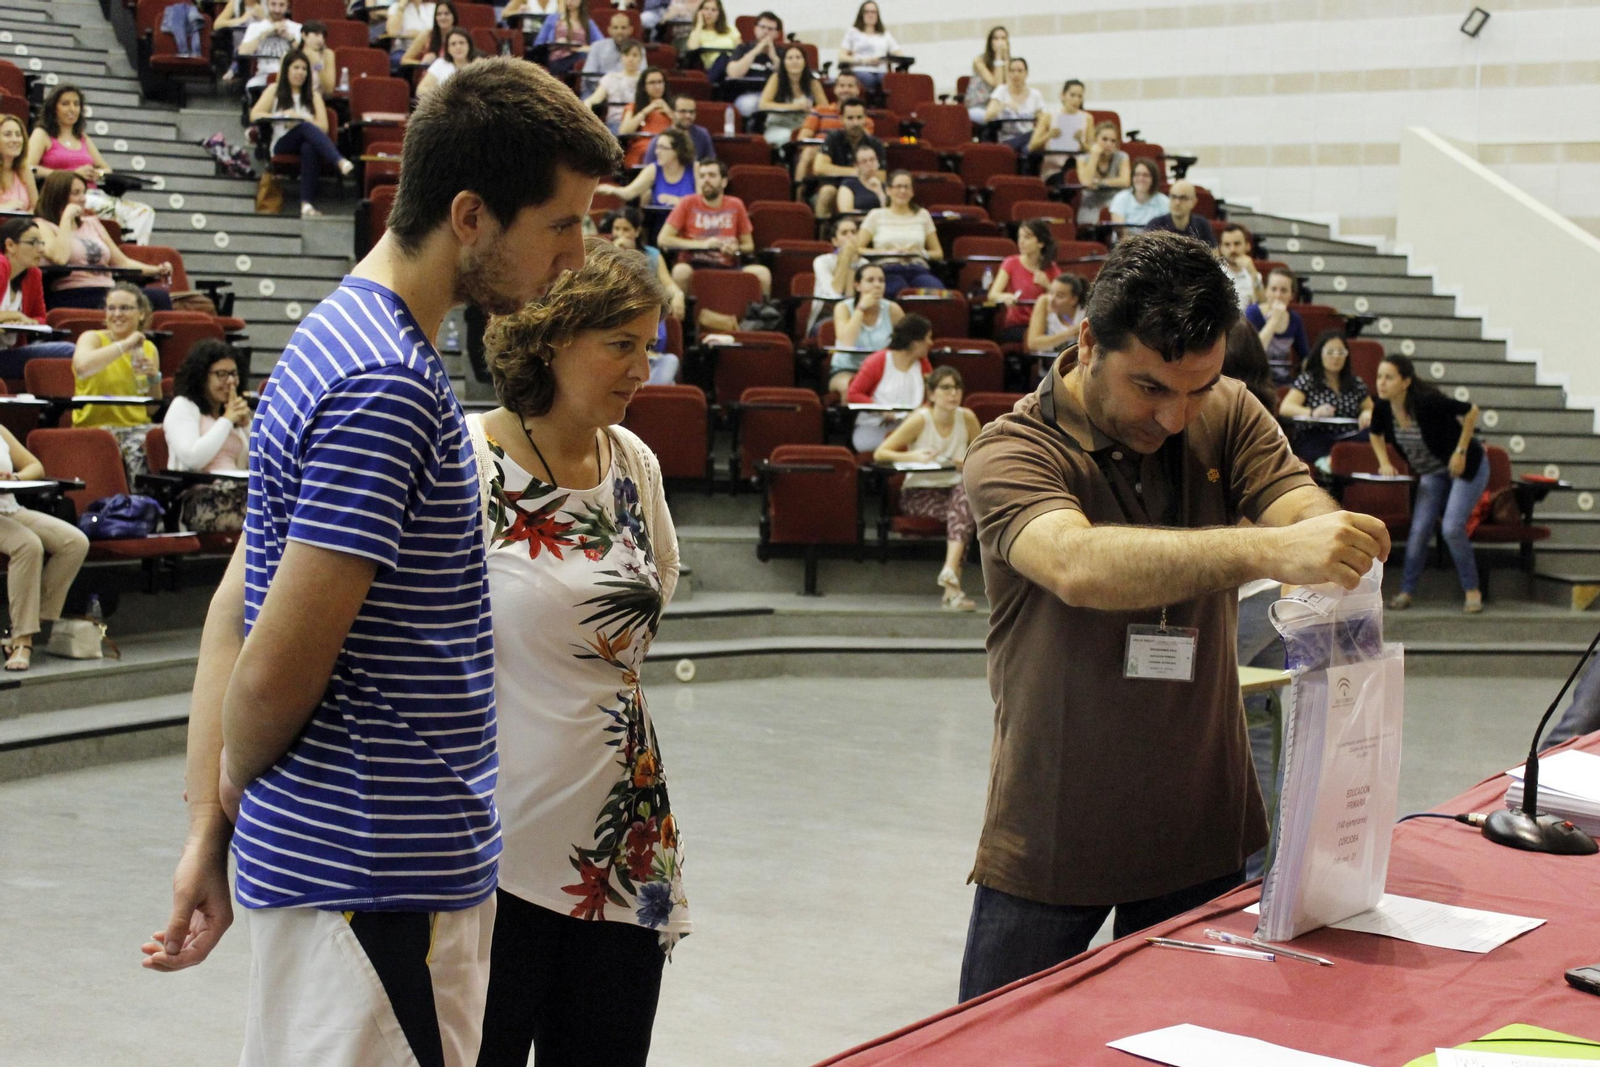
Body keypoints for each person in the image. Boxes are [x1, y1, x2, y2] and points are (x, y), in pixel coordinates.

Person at [138, 61, 622, 1067]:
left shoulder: (338, 336)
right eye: (562, 225)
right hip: (373, 885)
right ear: (472, 215)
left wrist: (212, 825)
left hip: (352, 880)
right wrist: (229, 804)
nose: (576, 258)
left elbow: (235, 604)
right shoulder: (386, 385)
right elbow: (272, 667)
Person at [957, 231, 1392, 1001]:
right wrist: (1271, 551)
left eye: (1198, 387)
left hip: (1203, 835)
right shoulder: (1013, 449)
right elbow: (1075, 563)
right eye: (1151, 387)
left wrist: (1327, 544)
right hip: (1054, 833)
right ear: (1088, 341)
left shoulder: (1224, 410)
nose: (1176, 416)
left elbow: (1300, 511)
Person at [468, 238, 686, 1066]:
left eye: (650, 343)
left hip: (623, 834)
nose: (643, 366)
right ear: (555, 336)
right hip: (494, 839)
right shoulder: (466, 461)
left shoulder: (635, 464)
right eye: (621, 343)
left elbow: (656, 580)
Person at [1220, 320, 1291, 881]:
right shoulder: (1265, 418)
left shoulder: (1232, 424)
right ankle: (1257, 871)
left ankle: (1236, 868)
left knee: (1219, 728)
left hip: (1243, 596)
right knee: (1260, 733)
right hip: (1268, 595)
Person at [1371, 353, 1486, 614]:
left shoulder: (1427, 402)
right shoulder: (1382, 408)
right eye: (1379, 377)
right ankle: (1406, 592)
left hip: (1467, 466)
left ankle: (1472, 590)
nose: (1381, 383)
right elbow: (1375, 434)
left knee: (1452, 528)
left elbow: (1471, 411)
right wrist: (1384, 461)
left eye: (1389, 377)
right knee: (1420, 529)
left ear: (1405, 382)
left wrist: (1461, 451)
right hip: (1432, 473)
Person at [874, 364, 982, 611]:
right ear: (931, 394)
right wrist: (913, 456)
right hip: (919, 494)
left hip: (954, 491)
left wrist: (965, 461)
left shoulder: (967, 417)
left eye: (957, 388)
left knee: (963, 504)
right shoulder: (920, 420)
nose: (953, 393)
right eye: (945, 388)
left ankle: (950, 582)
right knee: (964, 513)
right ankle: (951, 582)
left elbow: (982, 455)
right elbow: (881, 453)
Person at [0, 423, 90, 672]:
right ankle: (22, 639)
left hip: (9, 507)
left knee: (74, 542)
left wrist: (15, 477)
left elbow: (35, 466)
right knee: (27, 545)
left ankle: (24, 622)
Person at [25, 85, 157, 245]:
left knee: (145, 212)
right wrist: (73, 174)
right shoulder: (43, 134)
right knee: (115, 210)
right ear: (53, 108)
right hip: (65, 195)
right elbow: (28, 168)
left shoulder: (82, 137)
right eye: (65, 104)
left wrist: (98, 174)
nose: (72, 109)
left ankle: (132, 251)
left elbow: (106, 168)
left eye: (76, 104)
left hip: (93, 193)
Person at [33, 172, 172, 311]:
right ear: (58, 196)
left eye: (84, 193)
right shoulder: (42, 225)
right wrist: (67, 217)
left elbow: (122, 263)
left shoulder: (92, 223)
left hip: (108, 289)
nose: (82, 199)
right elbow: (59, 257)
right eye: (76, 193)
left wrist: (157, 270)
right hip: (72, 292)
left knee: (159, 297)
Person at [248, 49, 357, 217]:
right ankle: (339, 160)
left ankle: (306, 204)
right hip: (282, 143)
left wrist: (301, 118)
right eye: (296, 68)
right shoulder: (274, 90)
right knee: (304, 127)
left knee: (308, 146)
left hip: (304, 142)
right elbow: (255, 115)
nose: (300, 73)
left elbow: (323, 127)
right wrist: (283, 116)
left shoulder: (313, 95)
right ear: (287, 70)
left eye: (304, 69)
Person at [70, 281, 161, 477]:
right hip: (96, 428)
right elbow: (83, 367)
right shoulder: (92, 338)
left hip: (135, 427)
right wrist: (125, 345)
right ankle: (136, 504)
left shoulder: (149, 349)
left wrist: (154, 377)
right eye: (111, 308)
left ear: (141, 313)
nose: (117, 314)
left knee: (170, 438)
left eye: (125, 308)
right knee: (139, 448)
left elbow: (151, 408)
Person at [163, 338, 252, 533]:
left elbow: (256, 461)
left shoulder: (229, 411)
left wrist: (246, 425)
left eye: (233, 374)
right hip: (198, 497)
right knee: (268, 516)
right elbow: (193, 459)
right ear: (202, 376)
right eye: (221, 374)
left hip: (238, 491)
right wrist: (227, 421)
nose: (230, 382)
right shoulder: (183, 406)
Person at [658, 157, 770, 298]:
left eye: (711, 175)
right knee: (680, 271)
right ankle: (683, 318)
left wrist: (736, 249)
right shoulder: (687, 203)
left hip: (729, 265)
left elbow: (749, 245)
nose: (706, 180)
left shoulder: (736, 204)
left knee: (762, 274)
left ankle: (762, 317)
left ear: (723, 182)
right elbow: (663, 239)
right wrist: (703, 245)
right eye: (702, 176)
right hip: (694, 263)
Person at [597, 207, 686, 383]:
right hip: (615, 318)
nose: (620, 234)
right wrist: (616, 255)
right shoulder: (603, 255)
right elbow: (602, 289)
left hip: (647, 321)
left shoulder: (652, 255)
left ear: (637, 231)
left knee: (671, 362)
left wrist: (678, 295)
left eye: (626, 229)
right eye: (616, 229)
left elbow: (669, 285)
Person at [1278, 330, 1372, 465]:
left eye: (1341, 352)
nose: (1336, 357)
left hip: (1348, 438)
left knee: (1373, 435)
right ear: (1320, 354)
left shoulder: (1356, 383)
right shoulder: (1308, 380)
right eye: (1330, 352)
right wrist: (1312, 412)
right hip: (1317, 436)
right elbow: (1285, 408)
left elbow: (1370, 409)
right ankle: (1328, 465)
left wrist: (1367, 413)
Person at [0, 217, 75, 378]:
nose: (41, 249)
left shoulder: (33, 275)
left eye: (42, 243)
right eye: (33, 242)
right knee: (67, 351)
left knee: (70, 352)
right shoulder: (0, 265)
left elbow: (41, 318)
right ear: (10, 245)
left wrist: (27, 322)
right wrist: (14, 316)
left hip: (8, 352)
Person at [847, 313, 932, 452]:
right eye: (928, 338)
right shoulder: (878, 361)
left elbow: (932, 396)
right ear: (915, 342)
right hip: (875, 426)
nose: (931, 343)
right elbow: (853, 394)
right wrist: (881, 409)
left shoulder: (924, 365)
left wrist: (919, 413)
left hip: (911, 426)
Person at [856, 170, 945, 297]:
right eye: (898, 187)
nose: (903, 191)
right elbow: (858, 248)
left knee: (937, 293)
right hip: (887, 268)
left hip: (917, 268)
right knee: (895, 290)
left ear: (912, 192)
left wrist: (919, 252)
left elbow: (938, 253)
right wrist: (886, 252)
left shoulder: (922, 214)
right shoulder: (876, 215)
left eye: (906, 187)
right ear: (888, 190)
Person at [829, 260, 902, 397]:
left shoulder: (893, 309)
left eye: (881, 280)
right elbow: (847, 342)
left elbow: (906, 344)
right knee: (850, 388)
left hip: (882, 370)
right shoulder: (843, 308)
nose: (877, 285)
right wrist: (861, 308)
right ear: (857, 286)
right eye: (870, 280)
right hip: (847, 369)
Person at [986, 217, 1059, 343]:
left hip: (1045, 325)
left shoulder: (1051, 268)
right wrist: (1005, 297)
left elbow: (1064, 299)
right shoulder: (1011, 263)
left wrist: (1047, 284)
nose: (1021, 242)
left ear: (1040, 243)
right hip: (1017, 325)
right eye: (1020, 237)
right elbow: (992, 295)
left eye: (1027, 237)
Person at [811, 97, 885, 219]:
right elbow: (819, 167)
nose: (855, 123)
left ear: (866, 119)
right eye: (850, 118)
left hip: (864, 186)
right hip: (835, 185)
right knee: (826, 192)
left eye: (859, 118)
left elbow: (881, 176)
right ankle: (821, 235)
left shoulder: (875, 143)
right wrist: (856, 172)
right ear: (841, 119)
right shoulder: (833, 138)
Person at [794, 69, 869, 188]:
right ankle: (798, 197)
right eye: (842, 85)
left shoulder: (864, 119)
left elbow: (863, 144)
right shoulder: (820, 110)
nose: (846, 89)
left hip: (847, 155)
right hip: (819, 153)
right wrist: (824, 148)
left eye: (850, 86)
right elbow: (802, 139)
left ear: (857, 90)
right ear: (835, 89)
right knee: (807, 152)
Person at [598, 126, 696, 208]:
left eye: (663, 148)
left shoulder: (694, 168)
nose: (657, 152)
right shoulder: (653, 169)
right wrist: (612, 190)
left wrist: (678, 201)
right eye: (657, 147)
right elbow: (629, 192)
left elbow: (702, 202)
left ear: (677, 151)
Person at [756, 43, 828, 147]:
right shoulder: (776, 79)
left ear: (804, 61)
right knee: (789, 138)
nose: (794, 61)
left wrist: (813, 110)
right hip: (779, 125)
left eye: (798, 57)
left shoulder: (813, 83)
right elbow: (763, 105)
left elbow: (825, 109)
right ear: (784, 62)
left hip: (805, 127)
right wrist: (794, 107)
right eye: (790, 58)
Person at [1245, 267, 1310, 374]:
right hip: (1255, 377)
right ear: (1266, 291)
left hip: (1283, 379)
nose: (1278, 295)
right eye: (1273, 289)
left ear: (1292, 295)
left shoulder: (1295, 319)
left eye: (1284, 291)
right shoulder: (1253, 313)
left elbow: (1305, 356)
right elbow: (1253, 353)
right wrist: (1274, 320)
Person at [721, 9, 781, 117]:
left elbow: (787, 78)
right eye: (762, 27)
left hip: (774, 95)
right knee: (750, 105)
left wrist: (774, 58)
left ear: (777, 34)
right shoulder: (743, 48)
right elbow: (734, 74)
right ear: (755, 29)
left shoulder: (781, 52)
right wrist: (756, 51)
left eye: (770, 29)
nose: (766, 32)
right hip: (747, 94)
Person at [1033, 78, 1092, 185]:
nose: (1076, 100)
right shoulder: (1048, 116)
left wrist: (1080, 142)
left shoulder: (1087, 118)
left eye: (1079, 96)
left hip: (1079, 168)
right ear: (1063, 95)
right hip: (1054, 169)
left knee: (1075, 172)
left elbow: (1092, 150)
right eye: (1072, 95)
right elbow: (1032, 146)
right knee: (1065, 178)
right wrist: (1048, 135)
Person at [809, 215, 859, 334]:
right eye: (844, 233)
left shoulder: (864, 264)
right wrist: (845, 258)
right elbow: (835, 293)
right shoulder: (822, 261)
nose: (850, 236)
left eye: (853, 232)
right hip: (826, 316)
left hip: (854, 314)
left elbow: (850, 296)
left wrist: (852, 264)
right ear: (835, 241)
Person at [1074, 120, 1129, 226]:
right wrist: (1094, 156)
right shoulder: (1083, 159)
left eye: (1113, 141)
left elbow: (1125, 181)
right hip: (1091, 204)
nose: (1109, 144)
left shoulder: (1122, 157)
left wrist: (1100, 182)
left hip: (1114, 202)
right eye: (1104, 139)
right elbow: (1086, 182)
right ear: (1095, 139)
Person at [983, 57, 1045, 152]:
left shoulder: (1035, 95)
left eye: (1020, 71)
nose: (1016, 74)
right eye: (1012, 71)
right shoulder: (1001, 91)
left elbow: (1043, 121)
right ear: (1008, 74)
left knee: (1028, 148)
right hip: (1007, 140)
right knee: (1031, 136)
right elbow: (987, 117)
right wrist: (1003, 106)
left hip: (1027, 140)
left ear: (1026, 74)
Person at [238, 0, 303, 91]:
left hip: (291, 76)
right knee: (251, 86)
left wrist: (289, 38)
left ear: (287, 6)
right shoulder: (255, 27)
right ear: (267, 5)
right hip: (264, 75)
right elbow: (243, 52)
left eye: (281, 5)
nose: (277, 10)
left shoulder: (297, 28)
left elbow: (305, 55)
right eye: (273, 4)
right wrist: (264, 34)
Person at [837, 0, 898, 90]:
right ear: (861, 14)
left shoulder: (884, 34)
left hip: (881, 70)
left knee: (891, 81)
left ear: (877, 15)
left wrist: (886, 59)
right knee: (868, 79)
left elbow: (898, 53)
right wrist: (864, 61)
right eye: (867, 12)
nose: (870, 15)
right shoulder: (853, 32)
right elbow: (841, 57)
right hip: (861, 69)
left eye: (873, 12)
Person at [586, 37, 645, 131]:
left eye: (634, 55)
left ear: (641, 58)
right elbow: (595, 99)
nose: (630, 59)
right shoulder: (610, 78)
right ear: (621, 57)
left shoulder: (646, 79)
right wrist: (588, 104)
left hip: (641, 123)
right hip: (615, 123)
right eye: (627, 55)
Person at [619, 67, 673, 166]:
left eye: (660, 82)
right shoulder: (634, 107)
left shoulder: (673, 107)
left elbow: (685, 130)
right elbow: (624, 131)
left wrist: (669, 113)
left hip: (670, 149)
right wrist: (646, 111)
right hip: (642, 149)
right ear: (644, 86)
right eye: (652, 83)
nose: (657, 86)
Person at [1024, 273, 1085, 360]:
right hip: (1048, 369)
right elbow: (1033, 343)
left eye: (1059, 296)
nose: (1052, 299)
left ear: (1073, 300)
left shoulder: (1084, 312)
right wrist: (1068, 335)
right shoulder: (1044, 302)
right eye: (1051, 293)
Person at [533, 0, 601, 77]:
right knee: (584, 58)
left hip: (579, 58)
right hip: (557, 60)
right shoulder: (553, 19)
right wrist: (555, 44)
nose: (569, 2)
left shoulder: (588, 23)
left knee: (585, 58)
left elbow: (601, 46)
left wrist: (581, 48)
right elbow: (538, 44)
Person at [1144, 179, 1215, 247]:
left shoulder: (1202, 225)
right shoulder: (1155, 225)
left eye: (1183, 198)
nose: (1177, 202)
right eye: (1173, 197)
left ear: (1194, 202)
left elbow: (1213, 254)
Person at [647, 94, 716, 165]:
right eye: (683, 111)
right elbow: (648, 167)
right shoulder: (659, 139)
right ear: (672, 112)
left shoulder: (703, 134)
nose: (688, 116)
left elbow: (711, 163)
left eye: (691, 112)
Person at [418, 27, 485, 96]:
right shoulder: (440, 64)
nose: (458, 47)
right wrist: (443, 94)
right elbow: (420, 90)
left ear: (469, 46)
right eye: (453, 44)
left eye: (461, 43)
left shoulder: (479, 64)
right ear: (448, 49)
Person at [1109, 157, 1169, 232]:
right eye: (1137, 174)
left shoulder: (1164, 201)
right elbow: (1121, 233)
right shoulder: (1120, 198)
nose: (1141, 178)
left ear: (1154, 178)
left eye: (1146, 175)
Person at [965, 26, 1009, 125]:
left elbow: (1009, 85)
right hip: (979, 107)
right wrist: (998, 56)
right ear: (990, 42)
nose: (1000, 42)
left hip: (1000, 107)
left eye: (1003, 38)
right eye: (996, 38)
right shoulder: (979, 61)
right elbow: (997, 85)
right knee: (994, 120)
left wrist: (1005, 60)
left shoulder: (1010, 62)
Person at [1218, 222, 1262, 311]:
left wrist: (1253, 273)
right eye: (1227, 245)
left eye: (1237, 244)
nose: (1232, 249)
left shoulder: (1254, 275)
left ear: (1247, 246)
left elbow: (1261, 311)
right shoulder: (1215, 274)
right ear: (1221, 249)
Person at [400, 0, 458, 67]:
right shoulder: (427, 35)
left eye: (446, 14)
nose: (442, 17)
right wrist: (423, 63)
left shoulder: (461, 37)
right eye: (439, 14)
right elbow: (404, 59)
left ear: (454, 16)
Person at [0, 115, 39, 213]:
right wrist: (5, 208)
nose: (15, 140)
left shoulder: (24, 170)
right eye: (7, 134)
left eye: (18, 134)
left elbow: (36, 207)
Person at [684, 0, 738, 71]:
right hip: (711, 67)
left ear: (719, 13)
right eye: (706, 9)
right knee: (722, 58)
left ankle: (709, 81)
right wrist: (699, 23)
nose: (709, 13)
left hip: (731, 66)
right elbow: (692, 47)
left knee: (724, 57)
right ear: (700, 12)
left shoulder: (730, 29)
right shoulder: (698, 32)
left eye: (713, 10)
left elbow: (739, 49)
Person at [582, 8, 637, 75]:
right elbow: (588, 74)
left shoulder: (637, 49)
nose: (619, 32)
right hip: (600, 84)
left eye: (623, 28)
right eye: (615, 28)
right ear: (609, 30)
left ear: (630, 30)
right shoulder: (597, 47)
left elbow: (642, 76)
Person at [835, 143, 885, 214]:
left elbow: (889, 211)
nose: (869, 164)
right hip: (857, 221)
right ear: (856, 166)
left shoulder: (885, 186)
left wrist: (880, 193)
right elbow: (846, 211)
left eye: (872, 160)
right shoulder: (849, 184)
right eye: (864, 161)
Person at [384, 0, 436, 69]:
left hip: (430, 49)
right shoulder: (396, 7)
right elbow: (392, 32)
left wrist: (420, 34)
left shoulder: (433, 7)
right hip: (404, 50)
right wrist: (402, 6)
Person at [297, 20, 338, 95]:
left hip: (317, 98)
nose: (321, 40)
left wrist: (317, 65)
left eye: (323, 37)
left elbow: (329, 89)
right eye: (316, 35)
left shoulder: (327, 55)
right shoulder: (292, 55)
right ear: (304, 35)